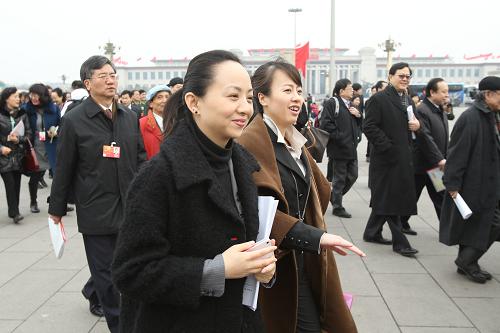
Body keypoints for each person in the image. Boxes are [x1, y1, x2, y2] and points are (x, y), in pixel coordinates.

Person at [112, 50, 277, 333]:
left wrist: (262, 269)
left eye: (248, 98)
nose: (245, 108)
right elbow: (131, 272)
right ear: (194, 102)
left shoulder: (242, 165)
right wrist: (216, 270)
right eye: (232, 96)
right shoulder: (159, 175)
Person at [238, 59, 365, 333]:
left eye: (298, 90)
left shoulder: (292, 140)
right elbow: (255, 211)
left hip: (303, 256)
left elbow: (315, 192)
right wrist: (317, 237)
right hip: (277, 264)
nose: (297, 97)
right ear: (263, 98)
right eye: (287, 90)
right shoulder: (250, 143)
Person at [48, 55, 147, 332]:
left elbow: (140, 158)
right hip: (96, 208)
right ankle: (118, 325)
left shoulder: (129, 116)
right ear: (88, 83)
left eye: (113, 74)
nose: (111, 79)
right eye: (103, 75)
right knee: (105, 275)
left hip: (129, 206)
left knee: (129, 269)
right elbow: (63, 166)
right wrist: (56, 209)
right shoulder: (75, 120)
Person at [439, 76, 500, 284]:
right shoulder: (471, 118)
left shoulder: (492, 115)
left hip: (490, 183)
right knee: (492, 223)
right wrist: (452, 185)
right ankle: (466, 261)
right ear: (488, 94)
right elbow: (456, 154)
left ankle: (469, 263)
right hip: (475, 184)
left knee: (475, 225)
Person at [362, 62, 420, 257]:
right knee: (389, 199)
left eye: (408, 76)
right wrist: (388, 147)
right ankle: (400, 242)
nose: (405, 79)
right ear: (390, 76)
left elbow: (410, 124)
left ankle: (372, 232)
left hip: (403, 158)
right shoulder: (378, 99)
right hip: (386, 159)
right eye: (401, 75)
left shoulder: (408, 100)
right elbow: (369, 126)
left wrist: (416, 126)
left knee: (386, 197)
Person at [401, 78, 450, 235]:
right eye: (443, 92)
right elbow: (425, 138)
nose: (446, 95)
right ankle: (400, 222)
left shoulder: (439, 109)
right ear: (432, 92)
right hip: (421, 165)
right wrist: (440, 159)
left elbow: (443, 137)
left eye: (447, 92)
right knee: (411, 197)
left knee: (441, 197)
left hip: (435, 166)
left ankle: (448, 229)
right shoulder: (422, 110)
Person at [321, 78, 361, 218]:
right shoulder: (333, 103)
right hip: (339, 148)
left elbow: (356, 125)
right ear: (341, 91)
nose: (352, 91)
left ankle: (333, 197)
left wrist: (358, 116)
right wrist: (341, 137)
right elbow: (325, 124)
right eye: (350, 88)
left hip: (350, 148)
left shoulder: (350, 105)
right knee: (339, 179)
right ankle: (337, 206)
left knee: (353, 175)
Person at [23, 83, 60, 213]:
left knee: (58, 177)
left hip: (51, 146)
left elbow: (60, 125)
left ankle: (57, 203)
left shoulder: (54, 109)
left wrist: (56, 132)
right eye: (31, 95)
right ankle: (33, 202)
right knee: (35, 176)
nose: (33, 97)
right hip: (35, 147)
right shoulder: (26, 110)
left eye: (36, 95)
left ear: (43, 96)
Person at [0, 87, 31, 223]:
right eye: (15, 96)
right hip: (4, 157)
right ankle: (14, 213)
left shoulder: (23, 114)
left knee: (16, 184)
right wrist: (1, 148)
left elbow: (29, 135)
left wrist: (18, 139)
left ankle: (14, 210)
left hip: (18, 155)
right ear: (7, 98)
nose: (18, 99)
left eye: (19, 96)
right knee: (10, 184)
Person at [139, 84, 171, 159]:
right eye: (159, 97)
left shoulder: (177, 122)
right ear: (151, 104)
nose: (165, 100)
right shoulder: (141, 124)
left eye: (167, 97)